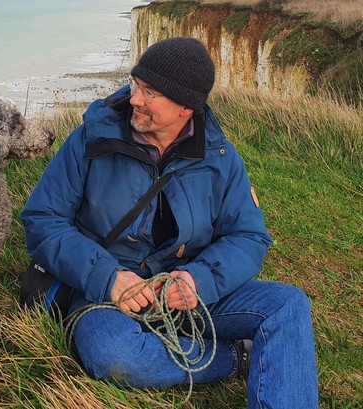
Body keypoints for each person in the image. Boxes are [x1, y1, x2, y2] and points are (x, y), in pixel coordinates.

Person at [20, 37, 318, 408]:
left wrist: (199, 280)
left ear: (186, 108)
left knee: (288, 305)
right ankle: (233, 357)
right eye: (136, 85)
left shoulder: (219, 156)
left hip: (187, 294)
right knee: (115, 355)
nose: (135, 100)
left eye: (151, 93)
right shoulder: (91, 139)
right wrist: (108, 278)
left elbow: (248, 235)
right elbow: (42, 219)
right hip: (106, 293)